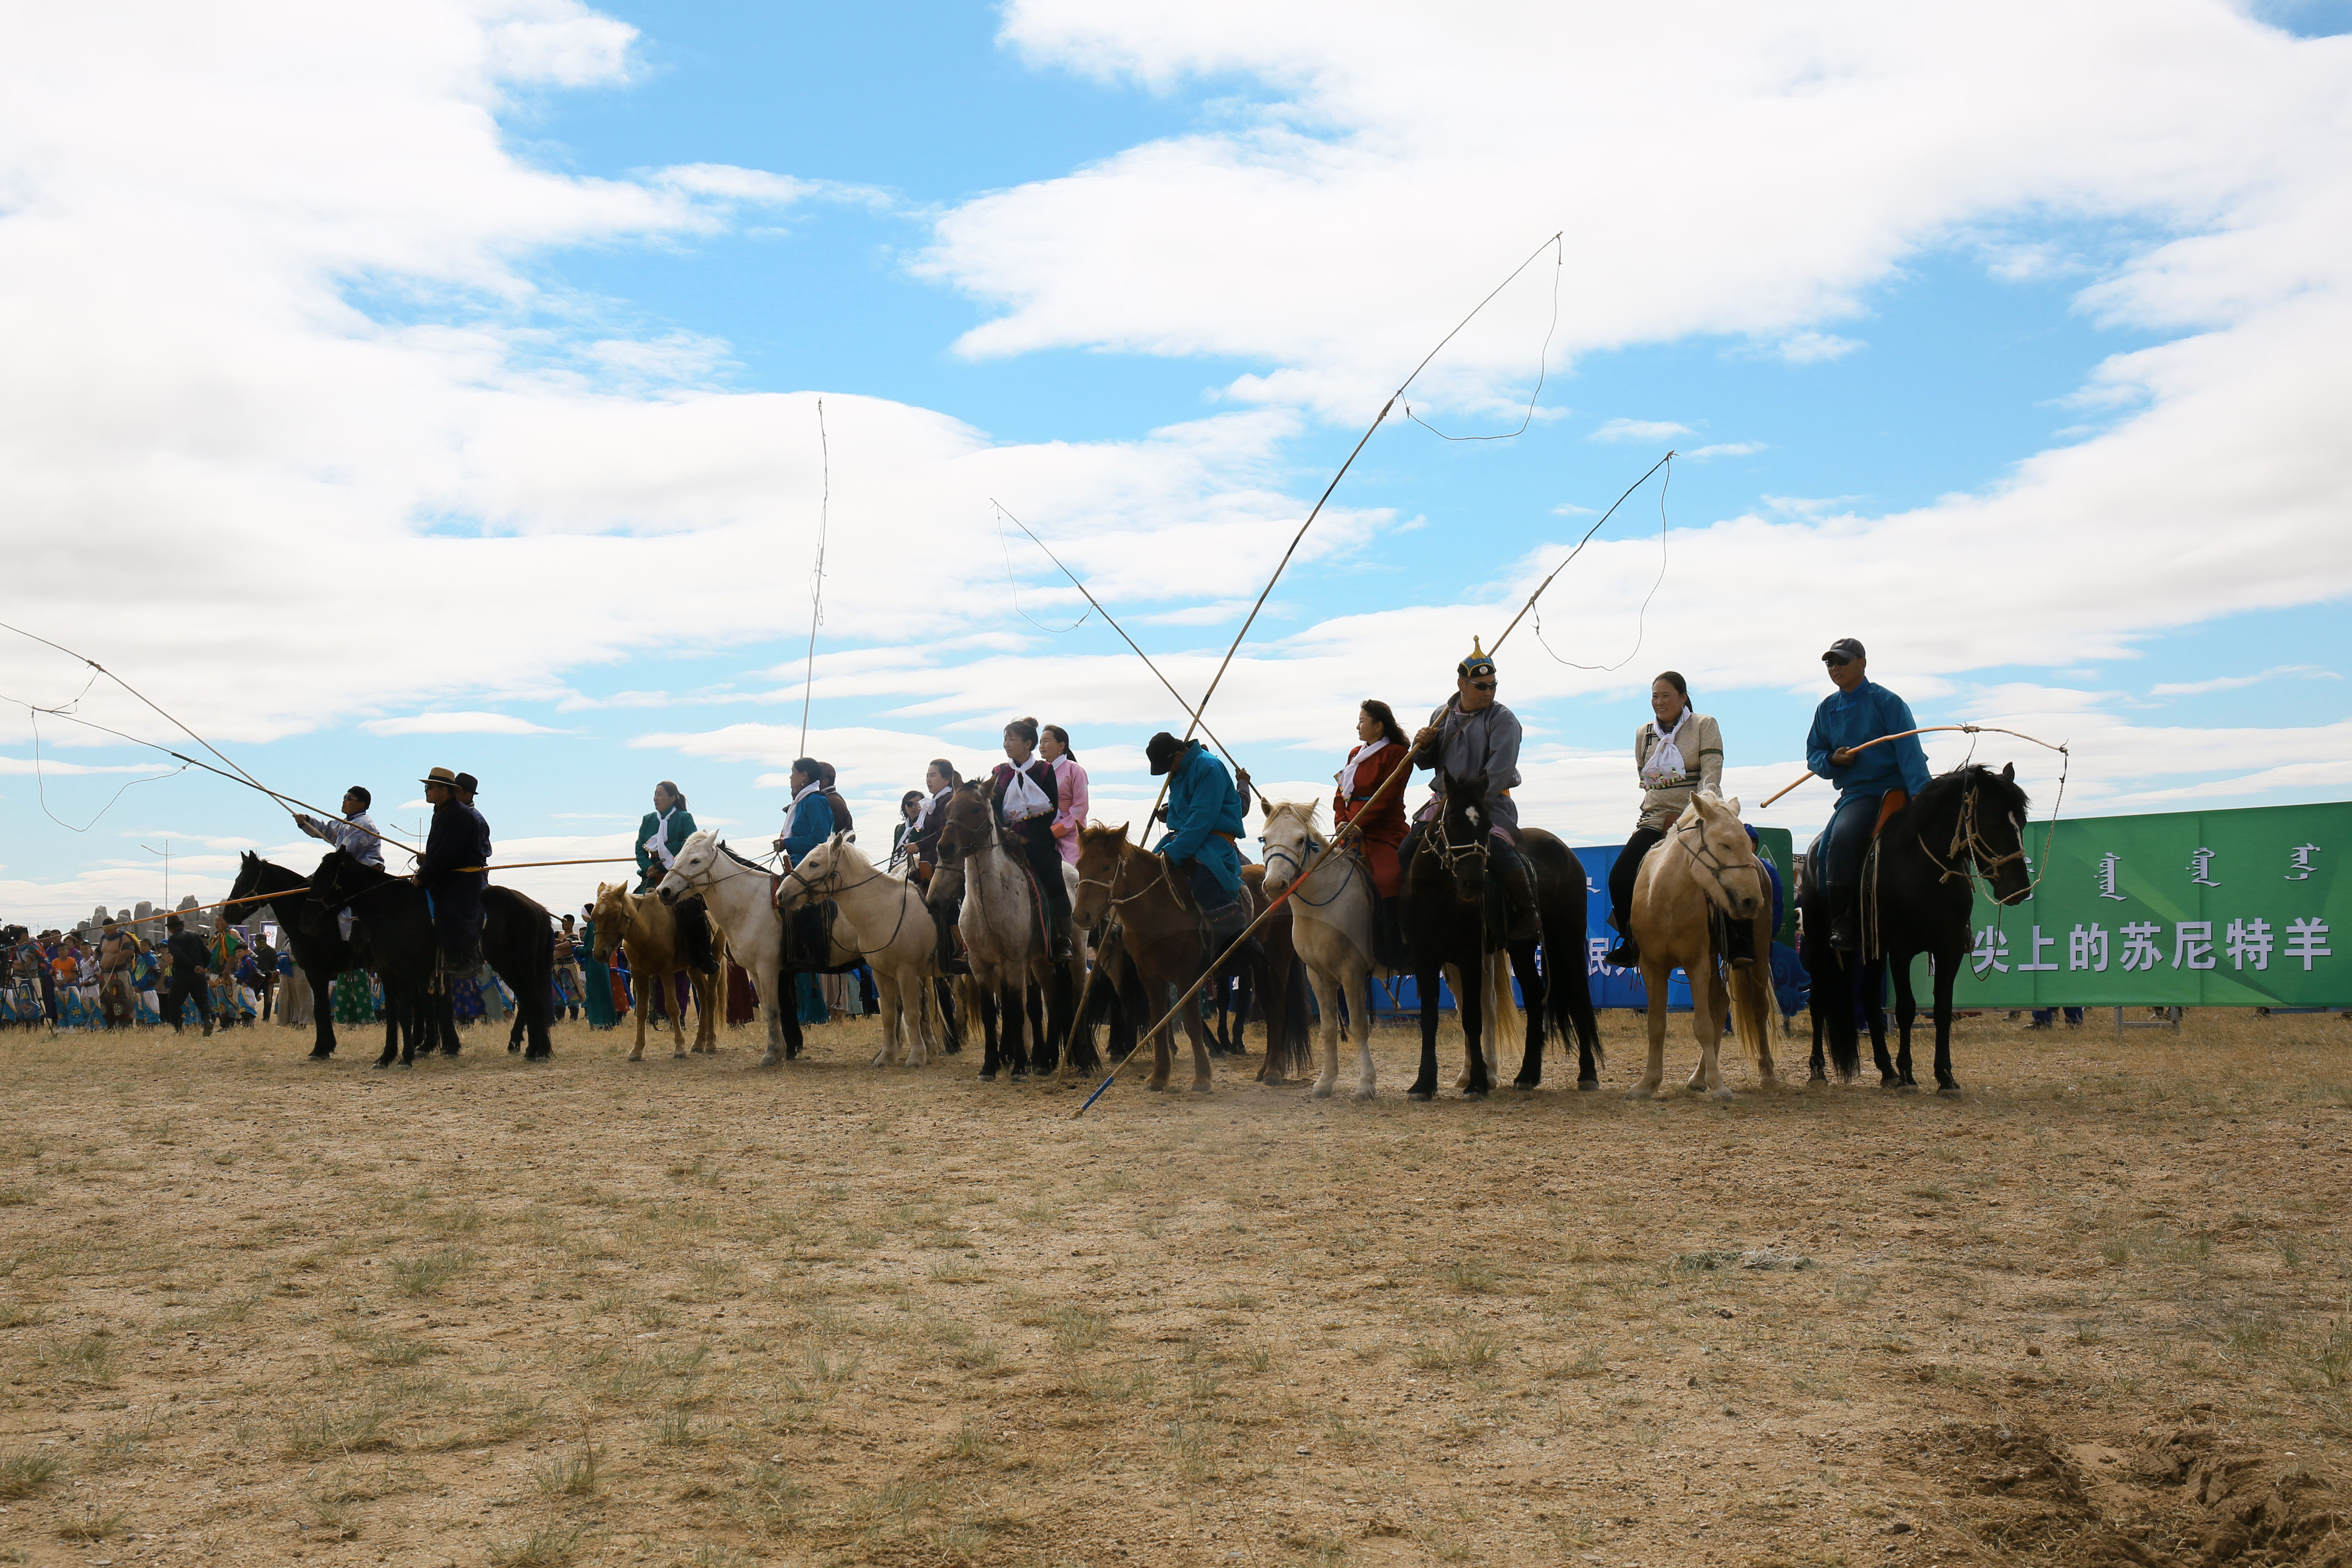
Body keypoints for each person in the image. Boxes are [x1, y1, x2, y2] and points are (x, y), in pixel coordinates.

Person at [1405, 640, 1539, 942]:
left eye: (1493, 686)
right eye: (1481, 687)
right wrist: (1422, 746)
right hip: (1444, 807)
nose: (1489, 693)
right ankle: (1410, 923)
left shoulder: (1504, 719)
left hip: (1489, 805)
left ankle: (1529, 913)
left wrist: (1470, 803)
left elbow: (1500, 770)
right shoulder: (1442, 714)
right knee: (1406, 854)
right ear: (1461, 685)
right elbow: (1427, 764)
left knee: (1499, 854)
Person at [1804, 638, 1931, 951]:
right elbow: (1814, 755)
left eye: (1842, 662)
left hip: (1899, 787)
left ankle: (1958, 921)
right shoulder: (1826, 709)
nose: (1836, 668)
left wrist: (1924, 797)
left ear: (1862, 662)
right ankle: (1843, 921)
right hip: (1859, 794)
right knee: (1842, 838)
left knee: (1941, 835)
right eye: (1830, 663)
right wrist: (1833, 760)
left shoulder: (1888, 702)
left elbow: (1910, 753)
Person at [1604, 671, 1729, 969]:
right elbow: (1647, 783)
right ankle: (1632, 940)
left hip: (1699, 817)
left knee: (1733, 875)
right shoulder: (1643, 733)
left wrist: (1688, 816)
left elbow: (1711, 778)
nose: (1659, 702)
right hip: (1654, 821)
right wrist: (1660, 819)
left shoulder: (1705, 725)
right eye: (1655, 697)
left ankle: (1738, 942)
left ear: (1683, 697)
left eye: (1666, 696)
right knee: (1619, 878)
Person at [1145, 728, 1249, 951]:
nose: (1168, 773)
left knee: (1201, 875)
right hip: (1186, 837)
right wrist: (1171, 814)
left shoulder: (1208, 766)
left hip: (1212, 841)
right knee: (1148, 869)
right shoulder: (1180, 770)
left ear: (1177, 755)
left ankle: (1235, 931)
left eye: (1167, 766)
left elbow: (1203, 816)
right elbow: (1185, 810)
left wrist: (1175, 852)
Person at [991, 718, 1074, 960]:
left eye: (1012, 739)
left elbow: (1051, 809)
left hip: (1036, 840)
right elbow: (995, 808)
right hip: (1005, 838)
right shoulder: (1000, 772)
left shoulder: (1044, 771)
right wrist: (1004, 833)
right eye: (1005, 739)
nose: (1006, 744)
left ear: (1028, 744)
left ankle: (1063, 937)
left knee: (1053, 875)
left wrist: (1025, 838)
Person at [415, 766, 491, 969]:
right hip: (445, 874)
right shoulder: (440, 813)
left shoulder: (461, 815)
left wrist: (424, 876)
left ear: (445, 789)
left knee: (450, 910)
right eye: (426, 787)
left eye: (430, 787)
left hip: (461, 879)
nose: (427, 790)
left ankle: (466, 957)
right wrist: (428, 861)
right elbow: (441, 851)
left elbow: (449, 854)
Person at [636, 780, 715, 974]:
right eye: (655, 794)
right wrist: (648, 868)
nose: (656, 798)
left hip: (679, 875)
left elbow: (691, 845)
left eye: (660, 794)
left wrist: (663, 862)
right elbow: (640, 848)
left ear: (673, 798)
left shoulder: (684, 818)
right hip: (652, 877)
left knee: (690, 908)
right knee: (630, 908)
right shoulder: (648, 820)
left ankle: (703, 955)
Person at [294, 786, 385, 866]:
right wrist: (306, 821)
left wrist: (319, 875)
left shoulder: (364, 824)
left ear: (362, 804)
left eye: (349, 798)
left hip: (366, 874)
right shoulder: (347, 822)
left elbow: (347, 854)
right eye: (345, 797)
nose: (344, 801)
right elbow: (326, 830)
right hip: (350, 870)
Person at [1040, 725, 1090, 866]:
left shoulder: (1074, 769)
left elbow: (1081, 808)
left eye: (1047, 741)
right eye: (1040, 742)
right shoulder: (1038, 771)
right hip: (1043, 831)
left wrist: (1059, 829)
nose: (1042, 746)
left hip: (1071, 833)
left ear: (1061, 746)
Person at [772, 757, 836, 866]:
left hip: (812, 866)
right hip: (799, 863)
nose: (791, 777)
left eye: (793, 772)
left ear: (804, 775)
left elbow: (819, 838)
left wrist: (787, 844)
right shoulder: (801, 802)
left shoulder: (815, 801)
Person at [908, 760, 959, 882]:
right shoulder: (935, 801)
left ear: (947, 779)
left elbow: (944, 832)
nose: (928, 780)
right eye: (927, 776)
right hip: (929, 861)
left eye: (933, 776)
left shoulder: (949, 800)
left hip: (944, 864)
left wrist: (919, 846)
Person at [162, 916, 213, 1036]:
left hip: (182, 975)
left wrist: (192, 967)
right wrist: (202, 967)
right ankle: (208, 1020)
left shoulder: (173, 939)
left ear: (170, 929)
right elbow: (207, 954)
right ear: (182, 925)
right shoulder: (195, 935)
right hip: (199, 975)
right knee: (203, 1002)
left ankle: (179, 1030)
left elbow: (179, 956)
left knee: (174, 1003)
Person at [96, 919, 137, 1029]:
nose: (107, 932)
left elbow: (130, 951)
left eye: (108, 929)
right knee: (107, 999)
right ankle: (111, 1024)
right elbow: (98, 951)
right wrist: (94, 959)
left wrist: (115, 958)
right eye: (104, 930)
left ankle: (125, 1024)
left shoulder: (123, 937)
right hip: (105, 973)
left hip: (119, 973)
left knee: (122, 997)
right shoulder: (103, 939)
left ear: (115, 927)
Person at [891, 790, 924, 864]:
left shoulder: (925, 825)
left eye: (918, 804)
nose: (914, 807)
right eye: (910, 804)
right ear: (904, 807)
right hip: (897, 865)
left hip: (917, 865)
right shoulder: (900, 829)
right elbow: (895, 852)